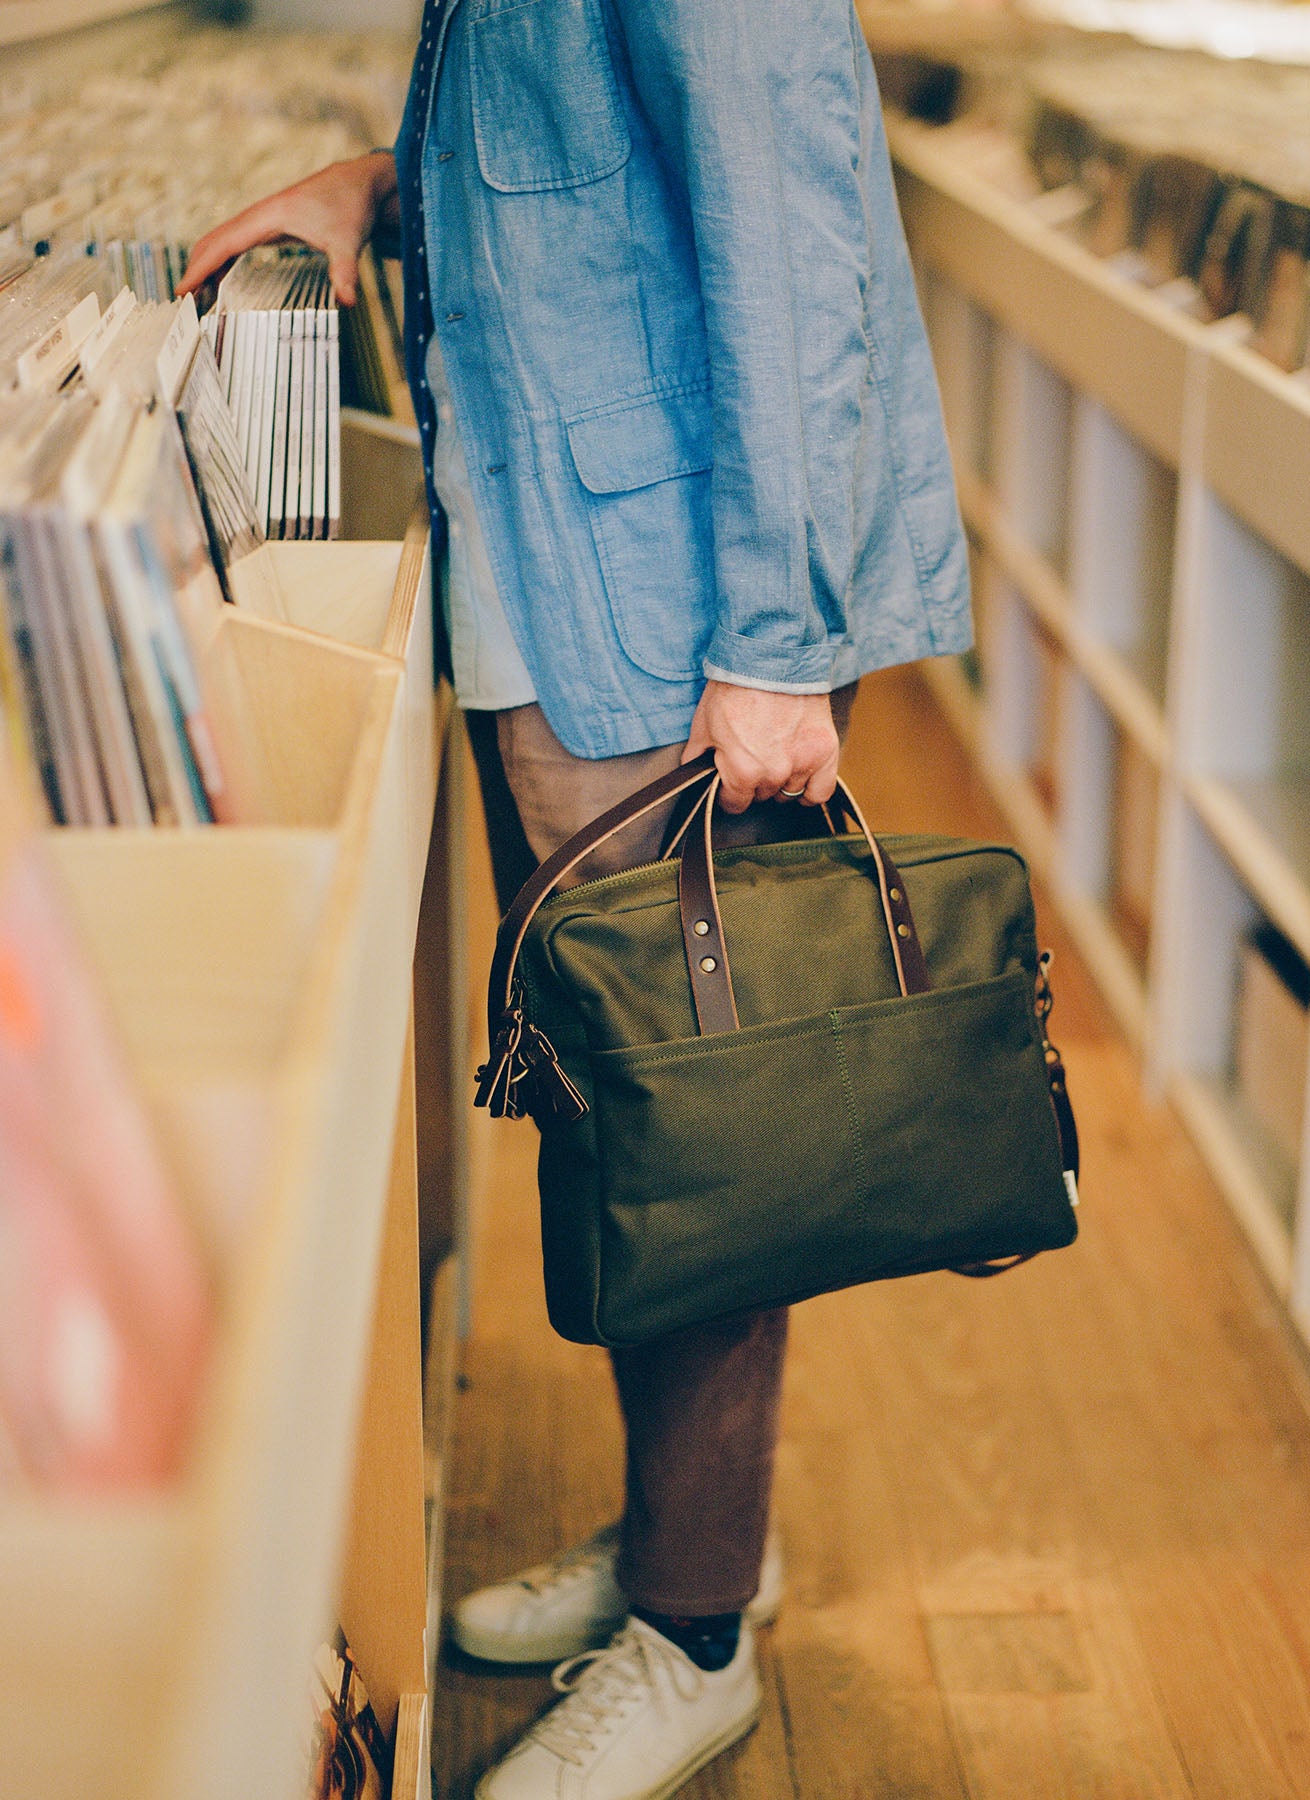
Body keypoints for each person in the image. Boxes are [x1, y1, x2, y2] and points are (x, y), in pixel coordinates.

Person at [181, 3, 969, 1794]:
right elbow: (585, 156)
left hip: (673, 604)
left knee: (694, 1124)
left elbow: (793, 242)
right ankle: (689, 1538)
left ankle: (696, 1637)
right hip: (566, 571)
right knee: (627, 1108)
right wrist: (378, 188)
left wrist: (778, 643)